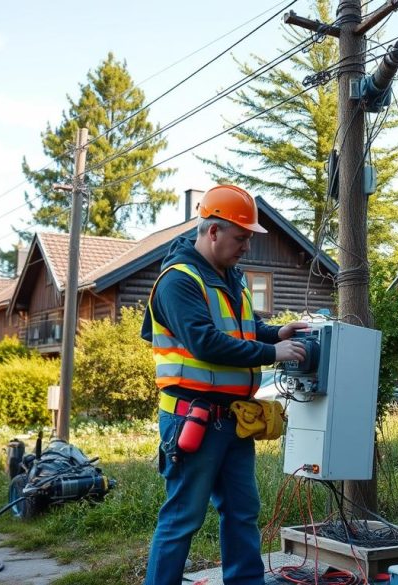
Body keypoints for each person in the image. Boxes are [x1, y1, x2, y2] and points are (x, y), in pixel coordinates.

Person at [142, 184, 309, 585]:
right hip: (193, 420)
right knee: (183, 517)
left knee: (242, 510)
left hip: (234, 419)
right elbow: (206, 343)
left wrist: (275, 333)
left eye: (249, 238)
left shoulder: (231, 277)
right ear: (212, 231)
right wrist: (275, 354)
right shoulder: (178, 281)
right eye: (240, 238)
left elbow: (243, 331)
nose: (246, 247)